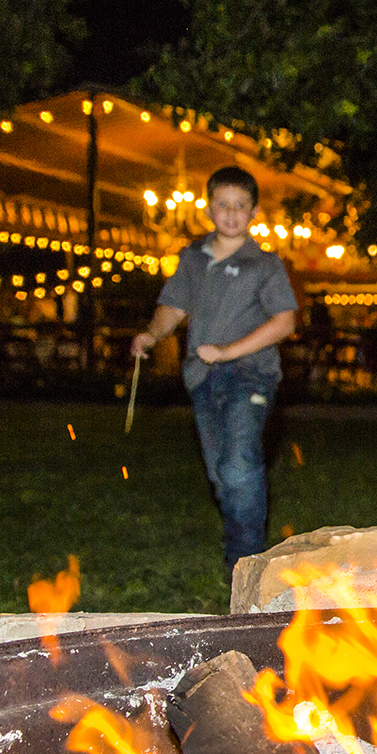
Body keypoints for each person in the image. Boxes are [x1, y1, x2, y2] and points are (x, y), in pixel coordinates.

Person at [132, 166, 299, 571]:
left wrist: (227, 351)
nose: (231, 213)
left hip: (251, 375)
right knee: (221, 473)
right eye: (222, 204)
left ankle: (244, 562)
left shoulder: (264, 264)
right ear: (208, 209)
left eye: (240, 206)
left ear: (254, 213)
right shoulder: (192, 259)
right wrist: (151, 335)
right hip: (202, 379)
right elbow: (172, 307)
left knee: (239, 463)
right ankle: (242, 542)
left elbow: (284, 322)